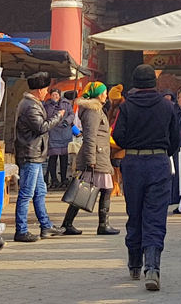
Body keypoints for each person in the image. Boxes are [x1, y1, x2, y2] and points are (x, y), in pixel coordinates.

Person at [110, 64, 179, 290]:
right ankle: (153, 268)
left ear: (135, 83)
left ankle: (134, 264)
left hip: (133, 164)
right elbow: (175, 140)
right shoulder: (167, 106)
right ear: (154, 83)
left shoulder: (127, 107)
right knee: (155, 215)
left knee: (135, 212)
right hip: (159, 163)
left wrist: (134, 144)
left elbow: (118, 136)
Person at [13, 71, 70, 242]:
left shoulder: (33, 103)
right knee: (26, 193)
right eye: (45, 89)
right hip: (31, 153)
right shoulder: (30, 106)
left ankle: (46, 226)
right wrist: (58, 117)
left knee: (40, 191)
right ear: (39, 90)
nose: (46, 93)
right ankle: (21, 229)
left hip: (35, 153)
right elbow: (42, 127)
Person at [59, 82, 119, 236]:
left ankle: (68, 223)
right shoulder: (93, 111)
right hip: (96, 156)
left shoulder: (97, 109)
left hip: (100, 155)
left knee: (85, 189)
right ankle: (102, 224)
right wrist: (90, 159)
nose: (106, 95)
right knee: (97, 189)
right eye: (104, 92)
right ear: (98, 94)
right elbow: (90, 136)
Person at [45, 89, 76, 190]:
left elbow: (72, 114)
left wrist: (67, 121)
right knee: (53, 157)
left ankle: (64, 178)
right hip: (53, 133)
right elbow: (47, 116)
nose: (55, 96)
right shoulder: (47, 105)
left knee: (64, 158)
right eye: (53, 94)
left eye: (57, 94)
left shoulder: (66, 104)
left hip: (65, 133)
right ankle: (53, 179)